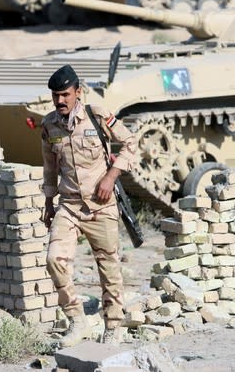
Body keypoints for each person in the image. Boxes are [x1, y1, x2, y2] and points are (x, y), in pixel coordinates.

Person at [40, 64, 137, 346]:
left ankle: (113, 327)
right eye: (55, 96)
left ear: (77, 92)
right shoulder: (49, 125)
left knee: (108, 268)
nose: (60, 101)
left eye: (65, 95)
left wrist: (111, 176)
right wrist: (48, 200)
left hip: (101, 205)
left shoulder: (97, 116)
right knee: (53, 260)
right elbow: (49, 166)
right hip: (69, 206)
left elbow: (130, 143)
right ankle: (77, 321)